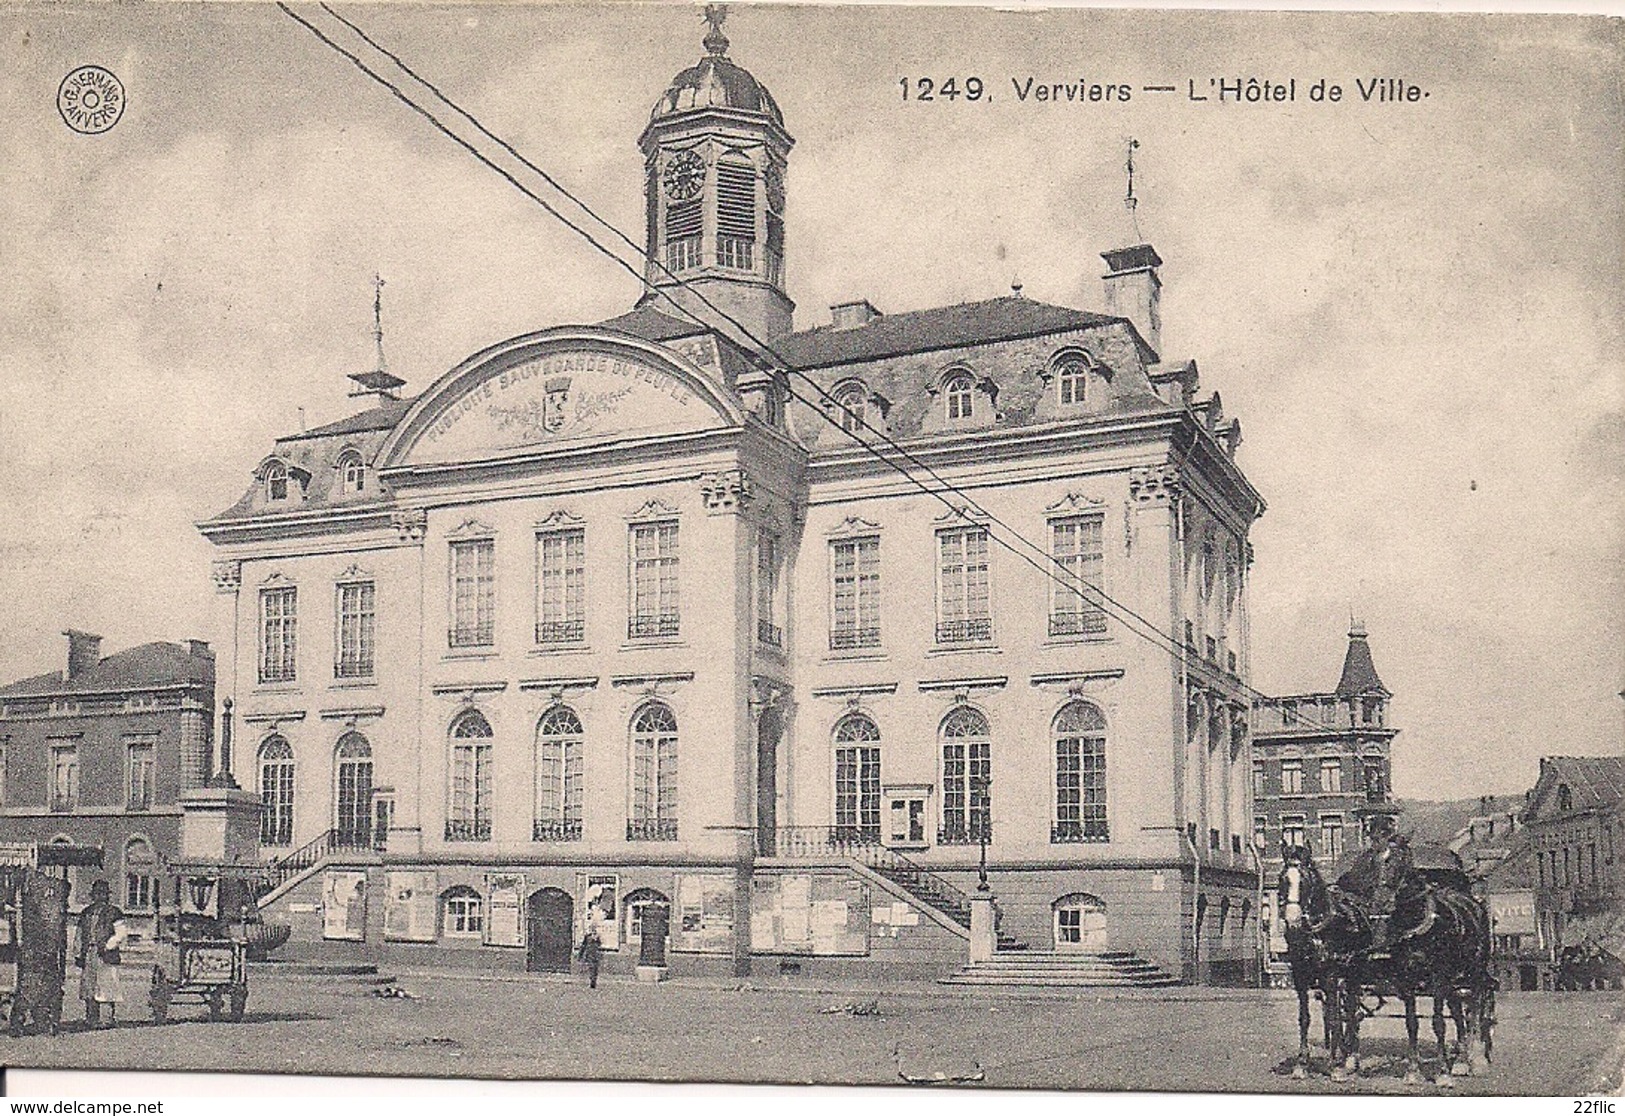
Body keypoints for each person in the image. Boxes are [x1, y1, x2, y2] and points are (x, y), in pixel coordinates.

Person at [76, 879, 127, 1028]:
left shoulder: (114, 912)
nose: (99, 897)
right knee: (89, 986)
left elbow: (121, 933)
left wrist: (109, 944)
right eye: (97, 894)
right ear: (93, 895)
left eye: (103, 894)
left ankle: (107, 1018)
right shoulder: (86, 912)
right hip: (89, 952)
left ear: (107, 896)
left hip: (106, 953)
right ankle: (91, 1018)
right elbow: (79, 934)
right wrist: (78, 952)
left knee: (107, 984)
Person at [579, 902, 605, 989]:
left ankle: (594, 981)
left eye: (594, 929)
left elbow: (599, 945)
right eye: (592, 929)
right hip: (589, 954)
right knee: (591, 968)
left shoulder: (597, 937)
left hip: (595, 954)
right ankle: (592, 981)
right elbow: (584, 945)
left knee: (595, 968)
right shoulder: (588, 936)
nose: (593, 931)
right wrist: (580, 955)